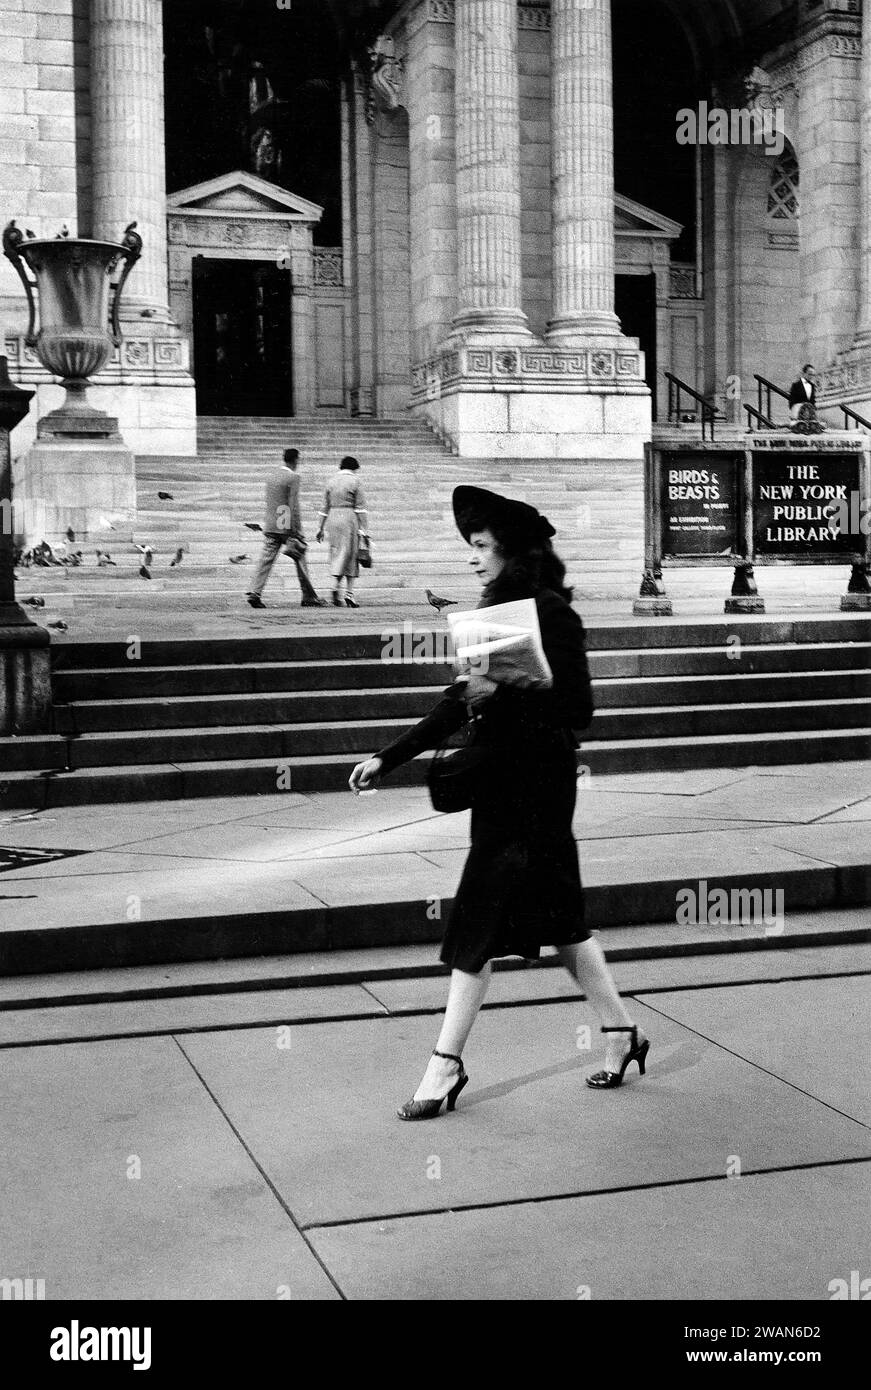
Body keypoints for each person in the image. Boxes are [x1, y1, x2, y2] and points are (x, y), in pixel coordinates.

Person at [349, 486, 650, 1120]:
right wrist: (389, 757)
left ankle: (444, 1066)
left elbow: (580, 711)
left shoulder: (551, 614)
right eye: (472, 548)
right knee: (562, 919)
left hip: (537, 786)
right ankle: (622, 1033)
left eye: (482, 547)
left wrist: (505, 690)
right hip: (500, 785)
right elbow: (459, 699)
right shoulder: (496, 611)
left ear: (511, 550)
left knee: (479, 925)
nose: (472, 559)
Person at [246, 448, 326, 609]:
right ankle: (308, 596)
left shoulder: (272, 476)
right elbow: (293, 505)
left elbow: (271, 501)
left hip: (271, 523)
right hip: (286, 524)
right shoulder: (293, 477)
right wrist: (295, 530)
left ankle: (255, 591)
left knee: (265, 560)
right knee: (300, 557)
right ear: (295, 460)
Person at [316, 456, 369, 608]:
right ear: (354, 467)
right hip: (349, 518)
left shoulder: (331, 481)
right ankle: (349, 593)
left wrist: (320, 528)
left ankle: (334, 585)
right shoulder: (355, 481)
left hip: (332, 517)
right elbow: (360, 507)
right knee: (351, 554)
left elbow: (323, 507)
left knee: (336, 552)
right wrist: (364, 529)